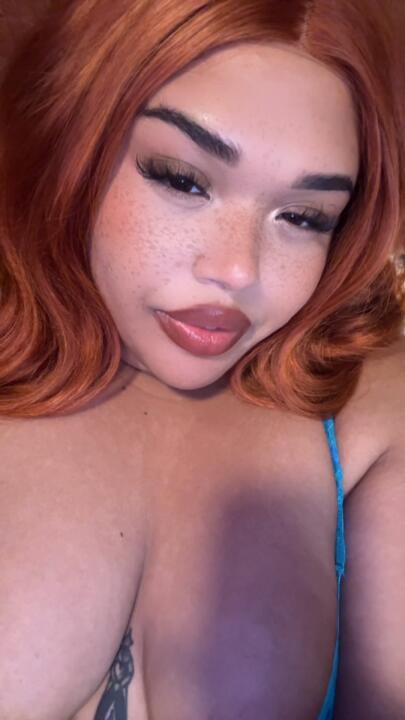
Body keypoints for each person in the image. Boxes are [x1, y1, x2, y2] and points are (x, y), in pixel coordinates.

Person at [0, 0, 404, 718]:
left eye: (303, 217)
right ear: (70, 137)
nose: (238, 269)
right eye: (182, 179)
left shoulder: (367, 411)